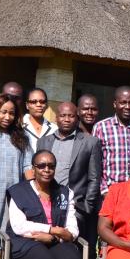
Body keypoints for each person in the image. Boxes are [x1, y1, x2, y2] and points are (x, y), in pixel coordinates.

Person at [37, 101, 102, 245]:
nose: (67, 119)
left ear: (77, 117)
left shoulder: (90, 142)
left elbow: (94, 178)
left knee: (77, 248)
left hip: (76, 206)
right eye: (63, 116)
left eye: (71, 116)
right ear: (56, 118)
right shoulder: (43, 142)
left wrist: (87, 206)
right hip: (47, 203)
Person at [0, 93, 33, 241]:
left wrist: (33, 195)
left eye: (11, 113)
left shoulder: (22, 137)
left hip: (14, 195)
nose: (7, 117)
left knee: (10, 236)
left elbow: (28, 166)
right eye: (3, 112)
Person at [93, 86, 130, 196]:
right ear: (115, 104)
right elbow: (95, 164)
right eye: (123, 102)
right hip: (110, 193)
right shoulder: (101, 127)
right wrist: (105, 191)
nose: (127, 107)